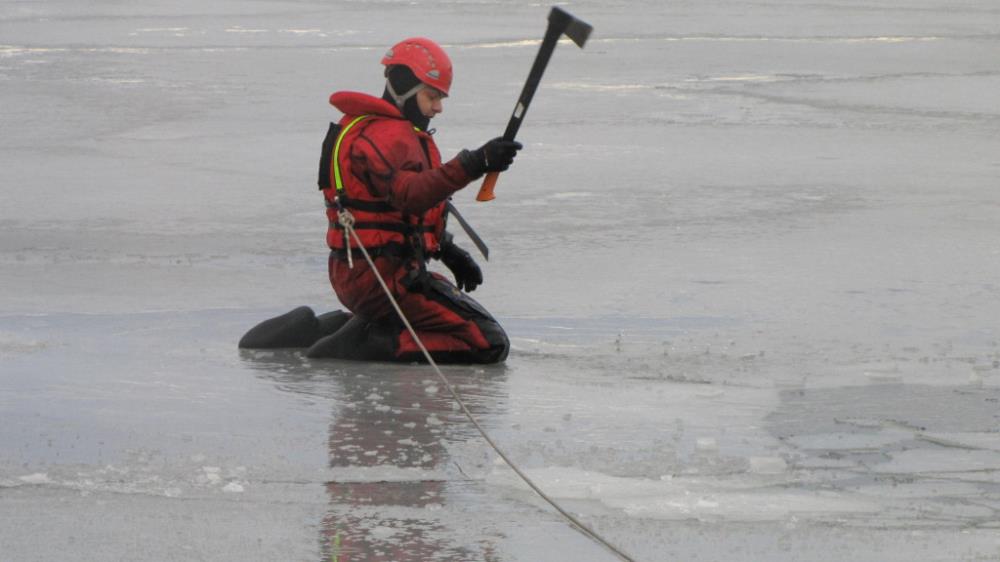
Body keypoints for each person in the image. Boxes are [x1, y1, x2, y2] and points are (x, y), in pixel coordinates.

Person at [239, 37, 520, 364]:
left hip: (370, 274)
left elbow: (402, 212)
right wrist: (475, 163)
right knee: (488, 342)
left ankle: (319, 330)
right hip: (383, 279)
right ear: (402, 86)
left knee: (453, 324)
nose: (438, 108)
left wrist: (447, 250)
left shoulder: (390, 133)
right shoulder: (383, 136)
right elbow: (409, 195)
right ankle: (362, 342)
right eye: (432, 97)